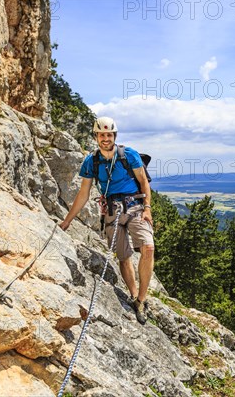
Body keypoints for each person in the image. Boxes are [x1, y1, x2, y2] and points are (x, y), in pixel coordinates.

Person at [59, 116, 154, 324]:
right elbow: (83, 193)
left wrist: (147, 208)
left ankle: (142, 299)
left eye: (109, 134)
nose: (105, 138)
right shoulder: (91, 161)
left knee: (148, 247)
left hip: (135, 205)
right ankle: (133, 295)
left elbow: (144, 182)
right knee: (123, 255)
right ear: (96, 136)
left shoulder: (128, 155)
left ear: (114, 136)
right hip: (112, 209)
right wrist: (67, 221)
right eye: (101, 135)